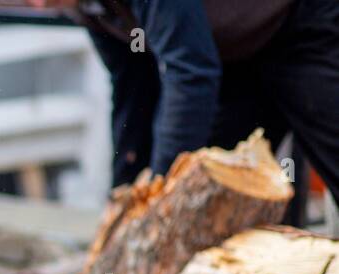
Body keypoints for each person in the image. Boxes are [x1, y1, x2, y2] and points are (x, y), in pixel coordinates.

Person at [31, 0, 339, 196]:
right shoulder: (81, 5)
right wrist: (126, 189)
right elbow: (132, 83)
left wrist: (164, 186)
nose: (39, 4)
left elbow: (190, 73)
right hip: (231, 55)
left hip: (300, 23)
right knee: (216, 193)